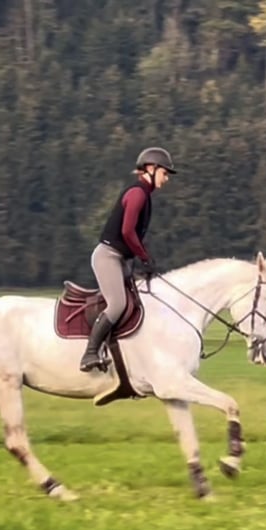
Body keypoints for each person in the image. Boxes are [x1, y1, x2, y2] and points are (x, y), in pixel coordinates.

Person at [79, 147, 177, 372]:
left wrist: (141, 258)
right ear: (151, 169)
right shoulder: (137, 194)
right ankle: (90, 353)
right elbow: (127, 232)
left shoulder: (144, 195)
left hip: (120, 259)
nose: (167, 178)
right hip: (108, 257)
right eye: (165, 172)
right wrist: (144, 257)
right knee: (118, 304)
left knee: (140, 299)